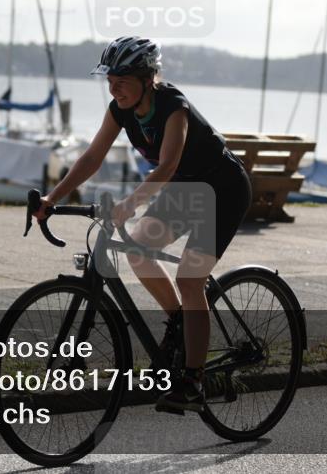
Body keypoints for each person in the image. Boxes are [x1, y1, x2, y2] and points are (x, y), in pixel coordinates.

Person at [32, 36, 252, 414]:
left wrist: (129, 204)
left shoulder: (173, 106)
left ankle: (194, 381)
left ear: (147, 78)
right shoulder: (121, 110)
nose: (113, 87)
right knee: (137, 249)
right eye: (109, 80)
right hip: (187, 187)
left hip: (223, 189)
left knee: (189, 279)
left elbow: (166, 165)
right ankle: (180, 323)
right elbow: (91, 157)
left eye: (121, 79)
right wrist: (54, 197)